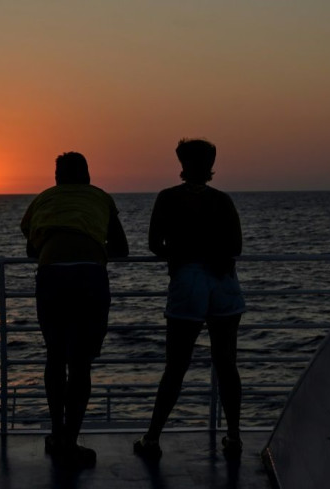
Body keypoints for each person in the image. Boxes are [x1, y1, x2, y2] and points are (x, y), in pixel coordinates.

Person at [134, 138, 246, 462]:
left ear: (182, 163)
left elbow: (156, 244)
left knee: (176, 365)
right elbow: (235, 246)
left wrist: (183, 253)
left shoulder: (168, 198)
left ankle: (153, 438)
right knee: (226, 363)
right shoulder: (223, 201)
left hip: (188, 280)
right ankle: (235, 436)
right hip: (224, 281)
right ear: (211, 164)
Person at [21, 151, 129, 467]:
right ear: (88, 175)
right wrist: (92, 246)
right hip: (89, 276)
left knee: (55, 356)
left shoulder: (43, 199)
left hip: (52, 273)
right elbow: (121, 249)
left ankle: (56, 435)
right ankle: (70, 440)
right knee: (80, 363)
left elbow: (31, 249)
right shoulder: (101, 198)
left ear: (57, 177)